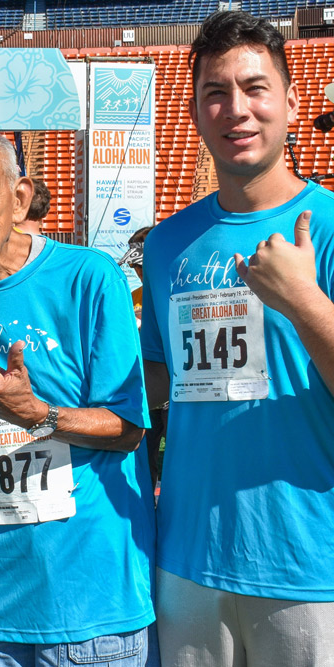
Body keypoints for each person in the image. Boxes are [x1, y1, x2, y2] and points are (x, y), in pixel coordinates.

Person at [0, 131, 155, 666]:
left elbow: (129, 428)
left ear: (19, 198)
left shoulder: (90, 277)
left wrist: (37, 416)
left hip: (93, 603)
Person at [140, 11, 334, 666]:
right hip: (189, 557)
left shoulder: (329, 227)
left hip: (309, 562)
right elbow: (159, 378)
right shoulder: (168, 243)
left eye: (255, 88)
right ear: (195, 113)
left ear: (291, 101)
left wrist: (303, 299)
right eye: (215, 93)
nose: (236, 109)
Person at [119, 226, 165, 491]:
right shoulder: (133, 295)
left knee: (176, 455)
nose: (138, 271)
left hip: (172, 388)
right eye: (135, 267)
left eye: (142, 265)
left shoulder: (172, 287)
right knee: (143, 455)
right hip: (145, 385)